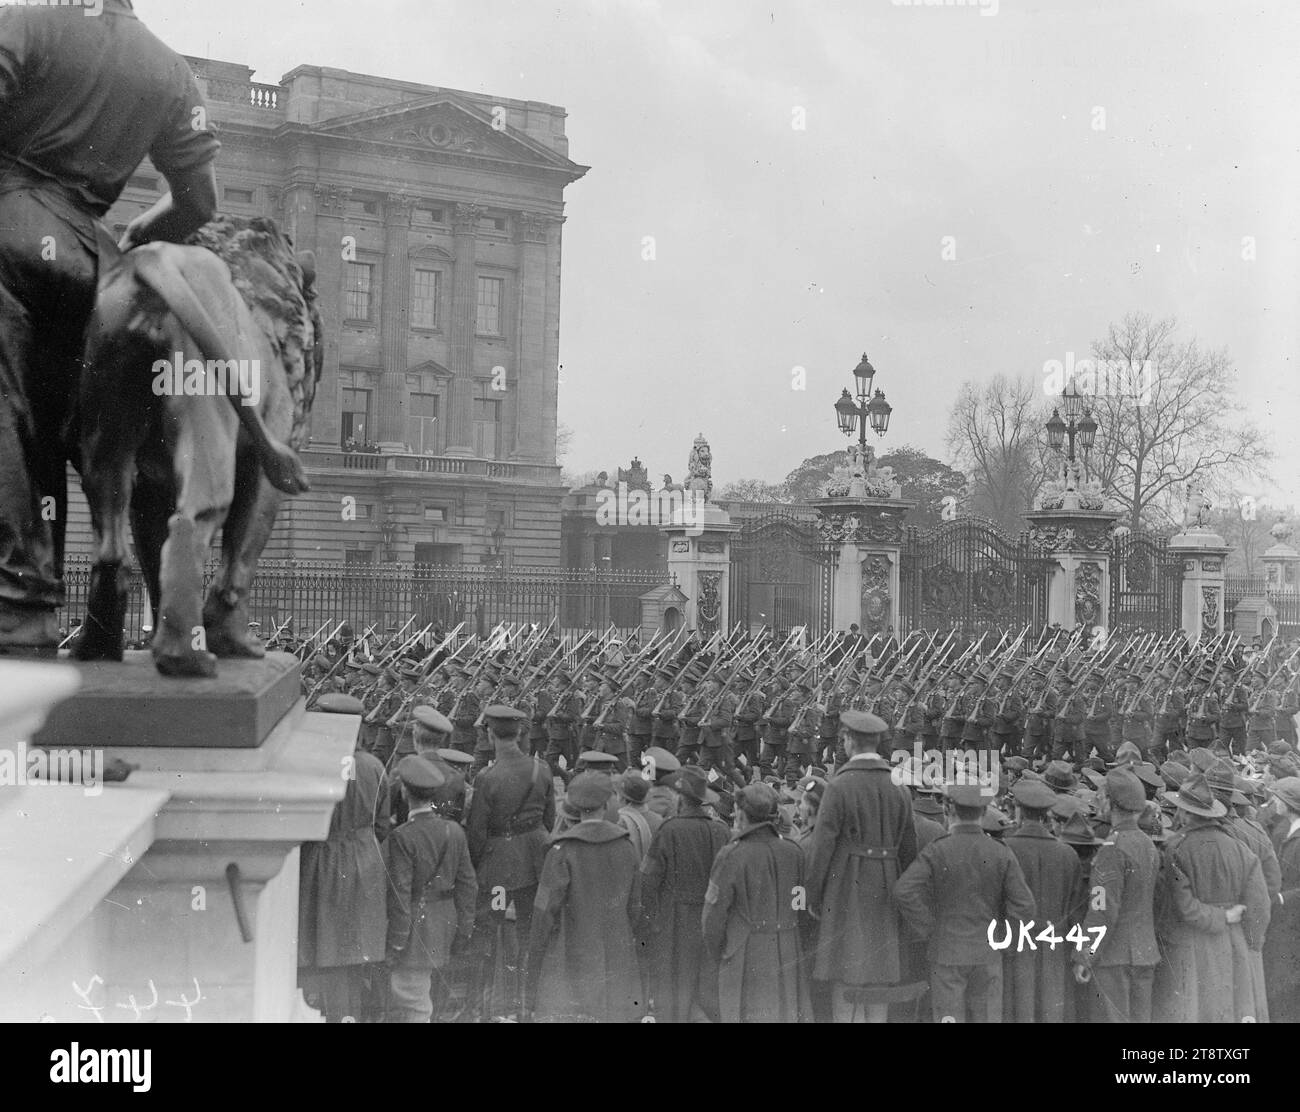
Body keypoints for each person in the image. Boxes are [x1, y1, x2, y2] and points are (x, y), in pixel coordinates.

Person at [0, 1, 222, 652]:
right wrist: (133, 237)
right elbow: (200, 201)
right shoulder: (172, 71)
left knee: (8, 413)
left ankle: (21, 607)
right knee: (79, 429)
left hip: (8, 227)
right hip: (93, 259)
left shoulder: (24, 22)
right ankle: (114, 602)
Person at [805, 709, 918, 1023]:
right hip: (888, 886)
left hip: (846, 889)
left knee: (846, 974)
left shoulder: (840, 786)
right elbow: (910, 850)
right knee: (878, 976)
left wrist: (814, 897)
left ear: (850, 741)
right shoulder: (900, 787)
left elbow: (821, 849)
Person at [893, 783, 1037, 1023]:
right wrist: (1004, 938)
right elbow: (1025, 906)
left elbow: (903, 890)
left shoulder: (938, 849)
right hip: (988, 952)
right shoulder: (1000, 852)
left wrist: (929, 927)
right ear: (983, 813)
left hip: (946, 951)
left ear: (949, 809)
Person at [297, 693, 389, 1022]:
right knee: (354, 949)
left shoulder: (315, 761)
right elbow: (382, 824)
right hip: (365, 861)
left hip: (324, 860)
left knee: (328, 948)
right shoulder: (374, 766)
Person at [526, 772, 644, 1022]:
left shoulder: (562, 850)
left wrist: (537, 950)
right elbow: (635, 906)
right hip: (617, 947)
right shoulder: (626, 846)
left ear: (575, 809)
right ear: (606, 805)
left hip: (571, 949)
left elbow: (544, 910)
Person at [1154, 773, 1271, 1022]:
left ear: (1185, 813)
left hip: (1193, 947)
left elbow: (1181, 907)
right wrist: (1251, 942)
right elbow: (1259, 905)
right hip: (1234, 943)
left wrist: (1220, 916)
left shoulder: (1177, 848)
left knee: (1197, 1011)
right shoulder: (1240, 848)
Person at [464, 705, 555, 1020]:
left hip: (499, 867)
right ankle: (528, 1007)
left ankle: (486, 1008)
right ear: (519, 733)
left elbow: (476, 831)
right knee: (531, 933)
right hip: (534, 861)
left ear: (490, 734)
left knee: (489, 932)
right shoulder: (540, 769)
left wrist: (476, 869)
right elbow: (550, 819)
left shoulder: (486, 777)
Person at [702, 783, 810, 1023]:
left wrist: (723, 951)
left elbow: (712, 918)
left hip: (746, 953)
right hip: (788, 949)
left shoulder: (731, 855)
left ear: (741, 814)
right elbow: (800, 904)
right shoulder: (794, 852)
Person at [383, 755, 477, 1023]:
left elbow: (400, 894)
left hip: (415, 928)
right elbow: (468, 885)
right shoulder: (454, 831)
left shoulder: (402, 836)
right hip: (444, 922)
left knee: (413, 1002)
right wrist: (464, 928)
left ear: (404, 791)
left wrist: (396, 942)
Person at [637, 765, 729, 1022]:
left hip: (674, 918)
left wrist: (648, 919)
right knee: (708, 979)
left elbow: (648, 879)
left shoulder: (669, 830)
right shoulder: (721, 829)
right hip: (710, 917)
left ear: (680, 798)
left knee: (675, 981)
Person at [1071, 768, 1160, 1023]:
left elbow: (1102, 910)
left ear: (1112, 802)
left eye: (1102, 795)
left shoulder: (1112, 849)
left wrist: (1085, 955)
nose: (1098, 800)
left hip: (1114, 959)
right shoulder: (1147, 843)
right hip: (1144, 953)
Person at [1002, 776, 1082, 1023]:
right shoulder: (1068, 854)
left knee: (1017, 1008)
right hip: (1055, 945)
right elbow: (1076, 911)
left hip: (1014, 944)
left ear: (1019, 810)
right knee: (1052, 1009)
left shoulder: (1005, 847)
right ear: (1047, 813)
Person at [1263, 777, 1300, 1022]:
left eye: (1277, 798)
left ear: (1288, 803)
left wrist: (1280, 898)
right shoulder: (1287, 830)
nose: (1273, 801)